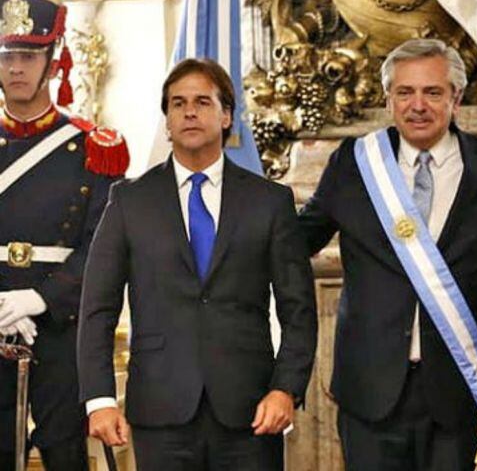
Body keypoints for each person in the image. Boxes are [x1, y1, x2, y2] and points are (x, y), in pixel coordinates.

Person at [76, 58, 317, 470]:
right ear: (167, 121)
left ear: (226, 116)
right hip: (160, 411)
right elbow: (97, 307)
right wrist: (99, 400)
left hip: (251, 413)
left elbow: (299, 310)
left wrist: (286, 390)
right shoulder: (129, 202)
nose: (189, 111)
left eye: (203, 102)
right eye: (177, 103)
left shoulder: (270, 202)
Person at [298, 38, 477, 470]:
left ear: (456, 97)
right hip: (370, 390)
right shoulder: (354, 162)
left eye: (432, 92)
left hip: (461, 392)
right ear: (388, 99)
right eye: (405, 92)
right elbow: (297, 241)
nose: (418, 105)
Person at [0, 0, 129, 467]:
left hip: (61, 331)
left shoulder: (94, 147)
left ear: (54, 60)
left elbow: (104, 244)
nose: (15, 67)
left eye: (29, 55)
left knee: (65, 455)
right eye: (7, 55)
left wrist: (40, 298)